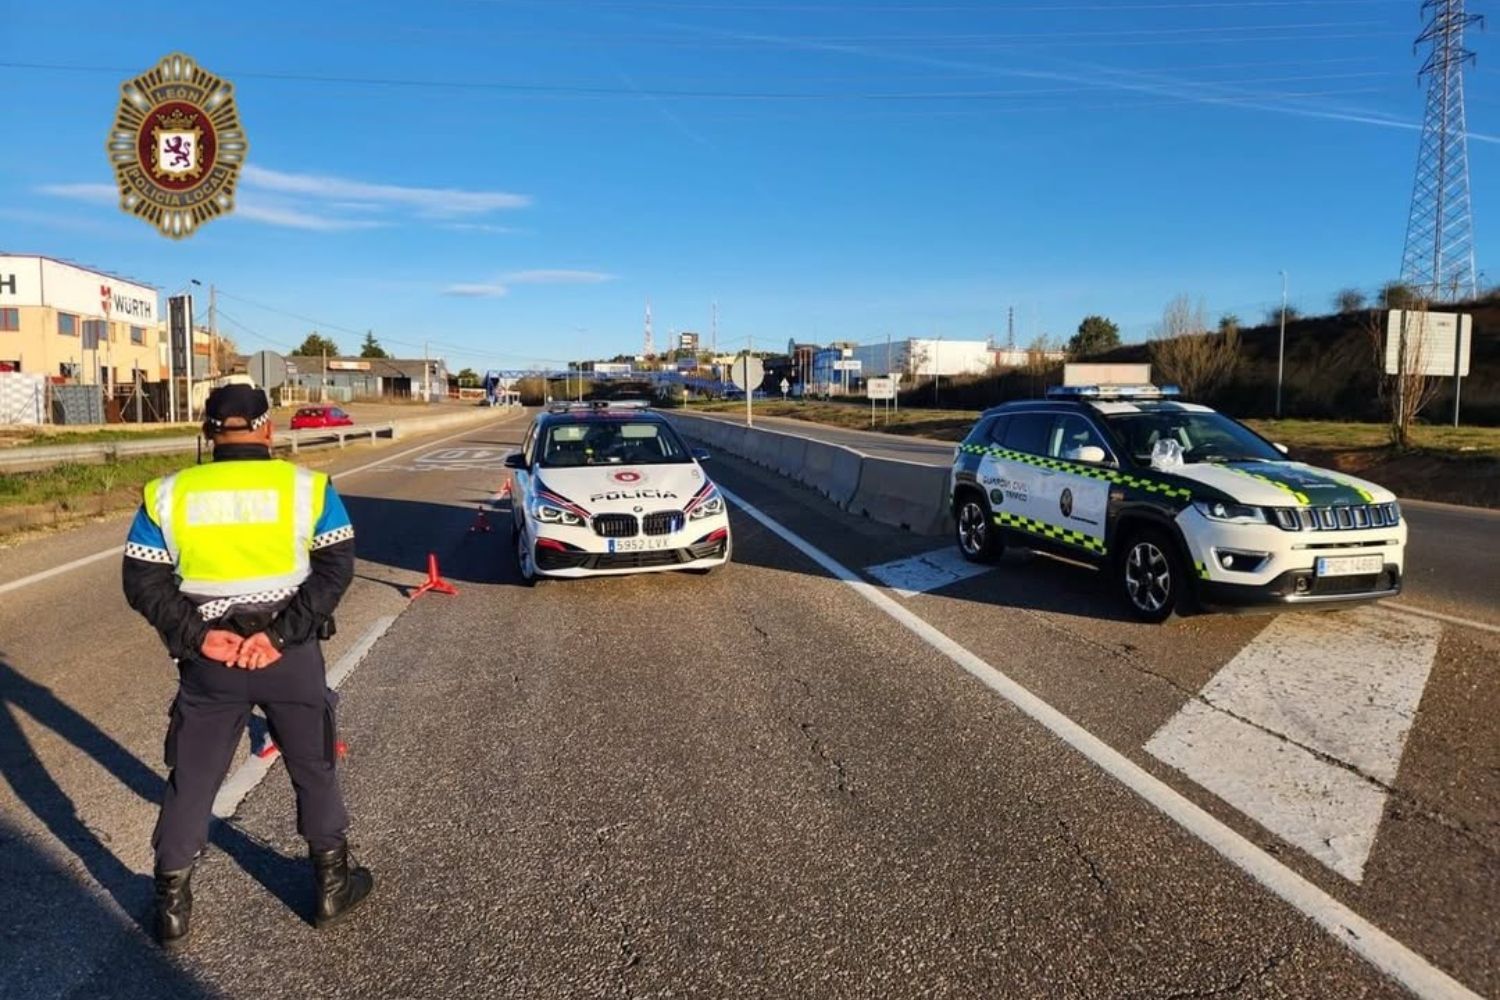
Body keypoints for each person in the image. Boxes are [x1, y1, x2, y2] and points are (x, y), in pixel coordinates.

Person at [122, 384, 373, 948]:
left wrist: (198, 637)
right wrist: (279, 635)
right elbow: (336, 568)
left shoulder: (168, 493)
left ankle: (170, 906)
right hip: (289, 655)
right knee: (313, 766)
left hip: (210, 661)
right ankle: (332, 887)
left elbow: (141, 580)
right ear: (266, 429)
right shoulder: (306, 487)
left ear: (208, 433)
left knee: (193, 777)